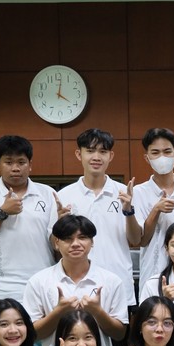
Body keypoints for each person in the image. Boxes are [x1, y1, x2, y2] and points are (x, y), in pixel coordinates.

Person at [0, 135, 58, 310]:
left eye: (21, 162)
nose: (15, 168)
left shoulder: (48, 194)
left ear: (30, 164)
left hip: (40, 288)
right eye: (8, 162)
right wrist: (2, 212)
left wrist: (63, 228)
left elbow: (56, 244)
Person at [23, 214, 128, 346]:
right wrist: (58, 312)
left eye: (82, 237)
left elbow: (119, 334)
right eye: (68, 239)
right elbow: (32, 335)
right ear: (56, 243)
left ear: (92, 242)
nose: (75, 244)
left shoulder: (111, 281)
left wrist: (97, 311)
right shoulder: (39, 281)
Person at [57, 128, 139, 304]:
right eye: (90, 151)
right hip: (76, 286)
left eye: (103, 151)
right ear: (79, 154)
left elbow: (135, 239)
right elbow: (55, 245)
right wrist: (60, 222)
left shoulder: (125, 193)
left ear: (111, 156)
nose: (96, 157)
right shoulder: (64, 196)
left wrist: (128, 211)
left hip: (118, 283)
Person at [131, 128, 174, 290]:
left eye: (167, 151)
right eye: (155, 153)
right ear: (147, 158)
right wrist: (156, 210)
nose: (162, 157)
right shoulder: (138, 192)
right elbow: (141, 240)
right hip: (152, 273)